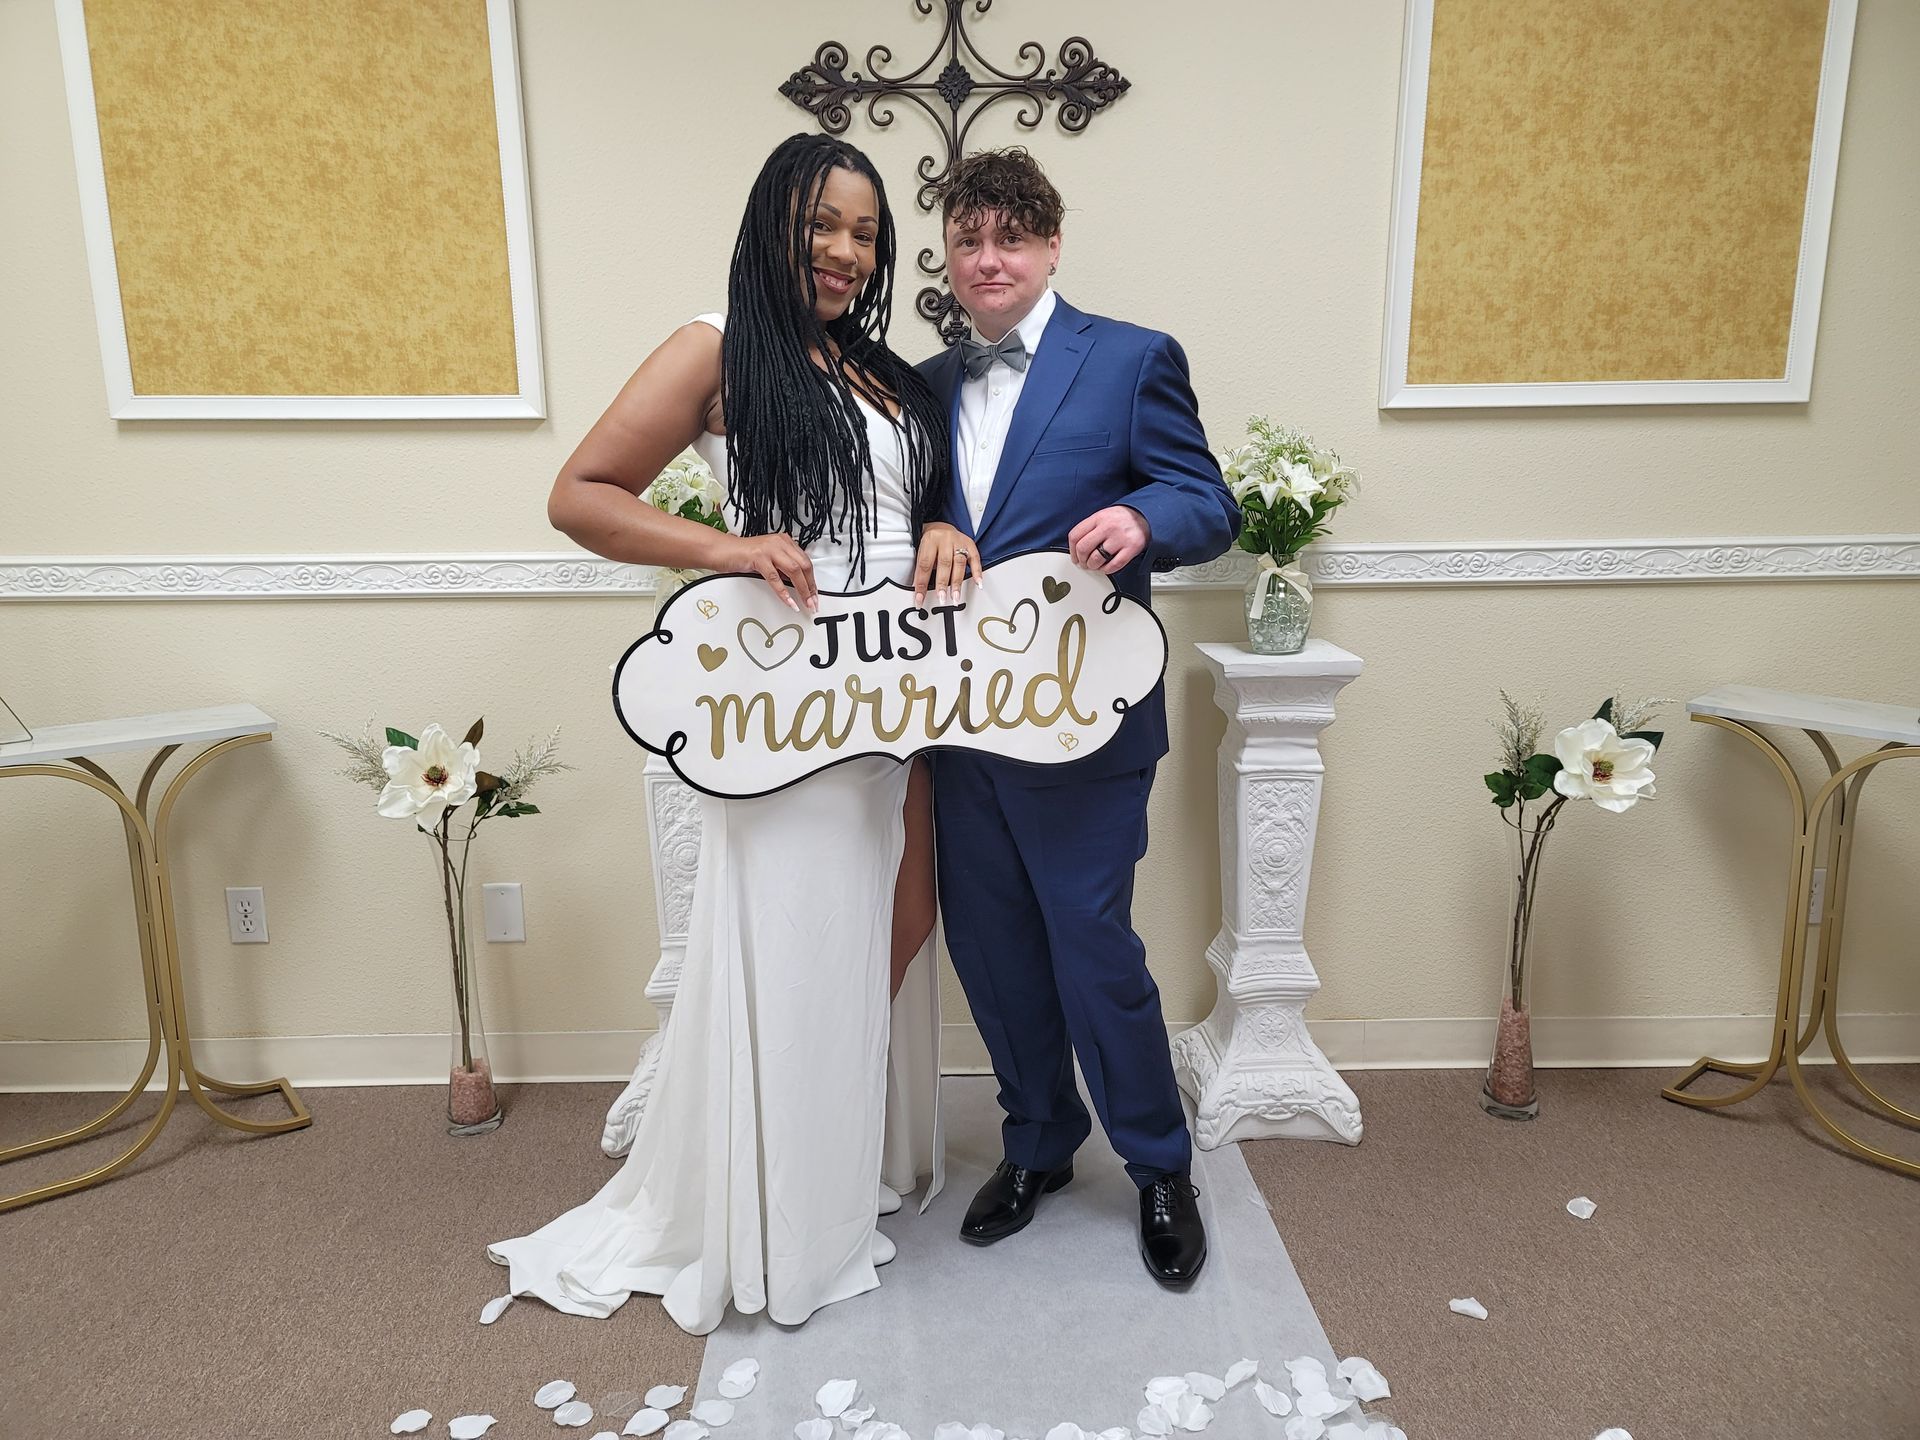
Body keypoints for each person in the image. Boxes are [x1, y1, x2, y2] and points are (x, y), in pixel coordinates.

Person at [487, 133, 975, 1335]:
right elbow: (582, 493)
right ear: (775, 221)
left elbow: (907, 511)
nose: (847, 251)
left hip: (895, 699)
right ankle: (778, 1214)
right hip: (784, 700)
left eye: (866, 231)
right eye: (824, 224)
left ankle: (836, 1161)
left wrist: (934, 534)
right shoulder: (712, 344)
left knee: (897, 923)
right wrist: (724, 547)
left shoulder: (886, 372)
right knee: (799, 936)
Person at [912, 147, 1240, 1288]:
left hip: (1086, 723)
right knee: (994, 954)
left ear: (1051, 246)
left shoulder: (1133, 357)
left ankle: (1159, 1166)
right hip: (957, 726)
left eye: (1011, 237)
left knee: (1093, 949)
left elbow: (1208, 499)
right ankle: (1040, 1145)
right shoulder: (924, 386)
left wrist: (1146, 520)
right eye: (968, 239)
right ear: (948, 259)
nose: (988, 258)